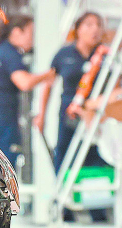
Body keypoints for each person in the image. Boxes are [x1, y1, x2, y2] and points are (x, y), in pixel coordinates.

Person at [0, 15, 56, 167]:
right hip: (3, 121)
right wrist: (48, 74)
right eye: (31, 33)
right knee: (4, 168)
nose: (33, 39)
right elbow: (24, 83)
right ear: (17, 32)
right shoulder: (11, 54)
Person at [35, 11, 107, 169]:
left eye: (98, 25)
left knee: (96, 156)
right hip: (70, 111)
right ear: (78, 29)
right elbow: (48, 83)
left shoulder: (104, 56)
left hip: (95, 113)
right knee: (65, 155)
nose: (95, 29)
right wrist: (42, 114)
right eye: (89, 25)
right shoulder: (64, 54)